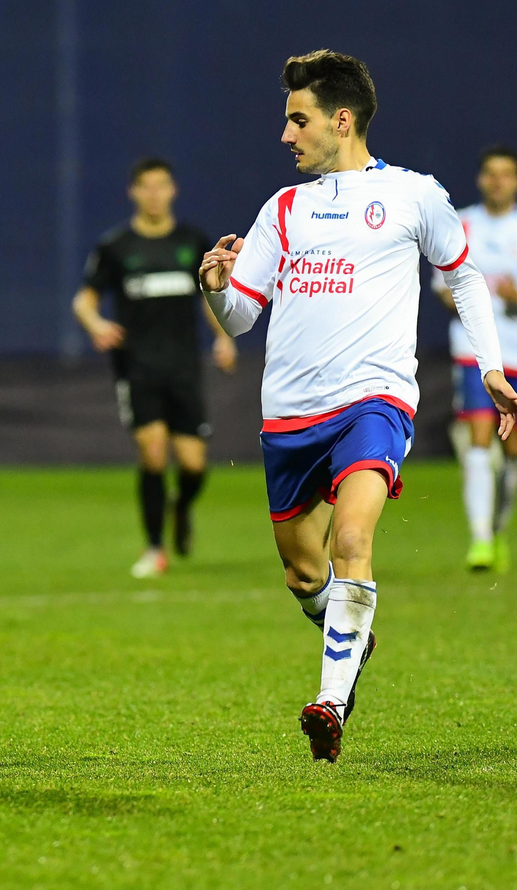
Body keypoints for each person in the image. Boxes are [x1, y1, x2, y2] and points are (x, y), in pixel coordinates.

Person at [199, 50, 516, 762]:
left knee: (352, 541)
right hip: (289, 414)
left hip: (374, 401)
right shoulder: (282, 209)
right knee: (303, 574)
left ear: (341, 121)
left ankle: (330, 702)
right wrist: (215, 286)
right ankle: (351, 633)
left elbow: (464, 277)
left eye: (298, 119)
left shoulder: (413, 195)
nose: (286, 134)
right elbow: (241, 318)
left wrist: (492, 367)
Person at [73, 159, 237, 578]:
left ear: (173, 190)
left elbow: (208, 296)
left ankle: (180, 506)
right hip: (137, 366)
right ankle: (154, 548)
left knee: (194, 464)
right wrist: (96, 324)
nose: (154, 194)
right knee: (152, 451)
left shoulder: (191, 241)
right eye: (145, 187)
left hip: (183, 366)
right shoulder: (116, 246)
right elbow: (84, 301)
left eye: (161, 186)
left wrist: (223, 338)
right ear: (133, 192)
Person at [431, 146, 517, 571]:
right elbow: (443, 285)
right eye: (490, 173)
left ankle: (496, 529)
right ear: (481, 179)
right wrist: (467, 299)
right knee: (480, 439)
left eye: (506, 174)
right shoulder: (462, 223)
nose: (497, 181)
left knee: (513, 453)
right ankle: (480, 539)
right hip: (476, 354)